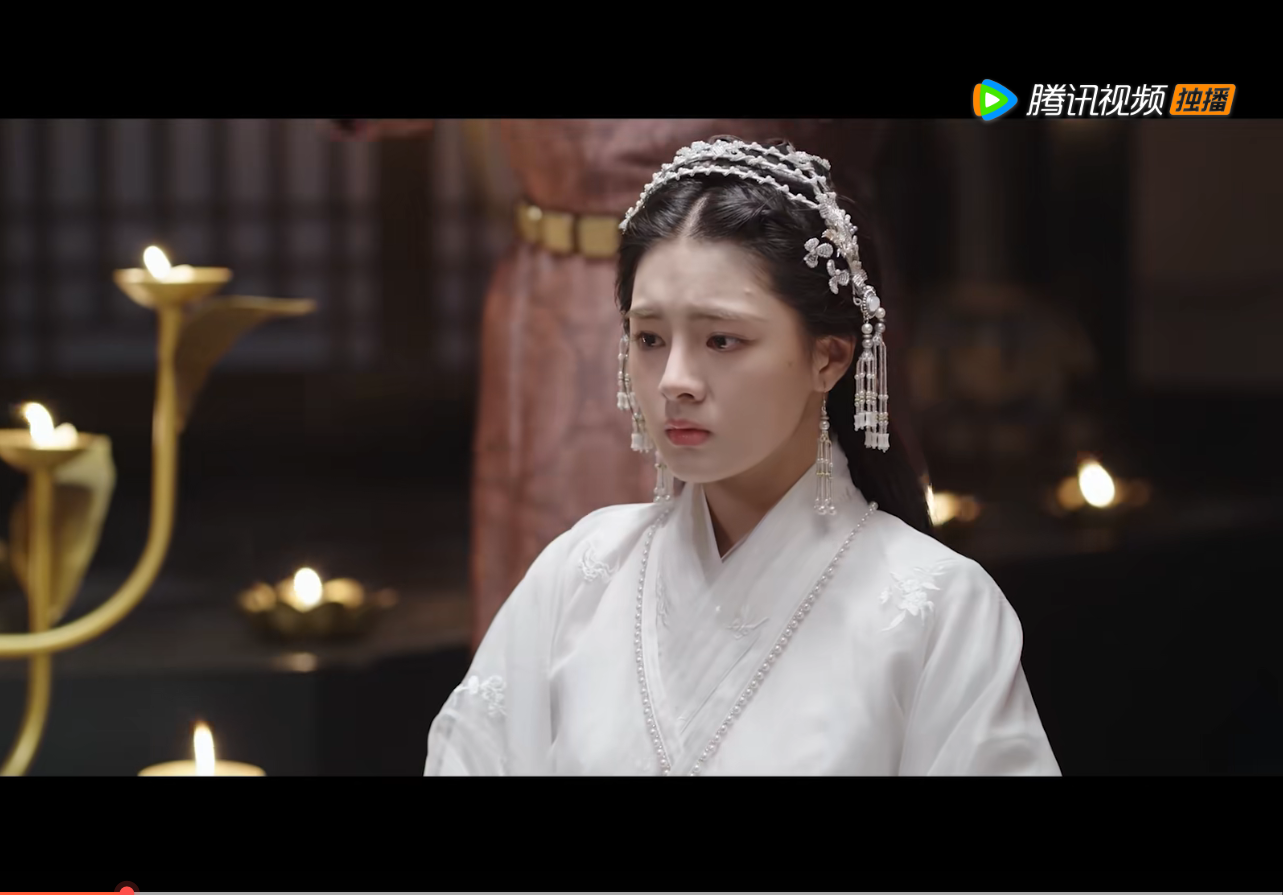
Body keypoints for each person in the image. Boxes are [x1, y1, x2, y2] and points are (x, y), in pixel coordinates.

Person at [423, 137, 1058, 775]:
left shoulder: (940, 606)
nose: (675, 381)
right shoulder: (580, 574)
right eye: (649, 338)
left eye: (721, 340)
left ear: (829, 358)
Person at [331, 119, 905, 648]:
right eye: (650, 341)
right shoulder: (568, 565)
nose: (677, 383)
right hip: (565, 313)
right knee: (571, 624)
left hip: (790, 286)